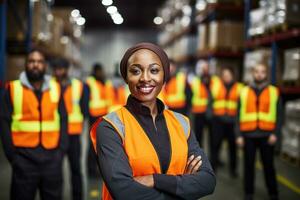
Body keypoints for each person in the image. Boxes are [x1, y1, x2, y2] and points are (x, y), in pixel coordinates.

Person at [90, 42, 216, 200]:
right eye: (135, 71)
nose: (145, 78)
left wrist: (154, 180)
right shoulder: (111, 126)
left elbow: (207, 181)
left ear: (164, 76)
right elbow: (124, 192)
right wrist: (183, 188)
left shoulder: (182, 123)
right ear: (126, 77)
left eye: (154, 70)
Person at [0, 49, 67, 200]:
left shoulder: (55, 88)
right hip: (24, 159)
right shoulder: (12, 88)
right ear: (26, 65)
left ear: (45, 66)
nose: (35, 65)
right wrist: (13, 156)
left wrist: (61, 151)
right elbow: (4, 122)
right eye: (31, 61)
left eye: (39, 62)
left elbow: (63, 119)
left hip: (52, 159)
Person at [236, 63, 282, 200]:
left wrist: (275, 133)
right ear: (253, 73)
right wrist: (238, 135)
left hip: (267, 136)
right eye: (257, 71)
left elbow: (280, 116)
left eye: (262, 72)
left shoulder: (274, 92)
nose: (259, 74)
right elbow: (237, 115)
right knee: (248, 166)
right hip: (248, 135)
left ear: (266, 74)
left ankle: (273, 193)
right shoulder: (243, 91)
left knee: (269, 166)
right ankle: (248, 193)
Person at [51, 58, 89, 200]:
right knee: (55, 171)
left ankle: (77, 197)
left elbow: (85, 111)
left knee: (76, 170)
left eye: (60, 69)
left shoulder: (79, 86)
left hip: (73, 135)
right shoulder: (49, 86)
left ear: (67, 70)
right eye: (55, 69)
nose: (58, 72)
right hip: (55, 135)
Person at [209, 67, 243, 175]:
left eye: (228, 75)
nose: (226, 77)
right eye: (224, 75)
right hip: (218, 121)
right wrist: (210, 117)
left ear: (233, 76)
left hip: (232, 122)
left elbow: (242, 106)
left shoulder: (240, 88)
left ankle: (233, 170)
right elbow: (209, 102)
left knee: (232, 147)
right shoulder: (216, 86)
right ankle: (213, 168)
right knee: (215, 145)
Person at [86, 63, 114, 177]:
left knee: (102, 144)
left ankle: (101, 168)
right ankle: (91, 170)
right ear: (95, 71)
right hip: (93, 117)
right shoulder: (89, 83)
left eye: (101, 71)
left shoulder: (106, 82)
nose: (101, 73)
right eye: (99, 71)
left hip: (104, 117)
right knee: (92, 144)